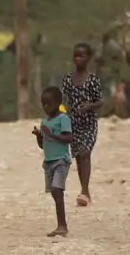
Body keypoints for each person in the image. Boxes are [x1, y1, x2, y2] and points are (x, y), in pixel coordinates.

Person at [61, 42, 104, 206]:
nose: (78, 59)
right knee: (79, 156)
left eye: (82, 56)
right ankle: (84, 190)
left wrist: (89, 107)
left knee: (85, 153)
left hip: (89, 123)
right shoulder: (68, 80)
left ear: (89, 58)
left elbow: (100, 101)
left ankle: (84, 191)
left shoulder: (93, 80)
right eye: (75, 56)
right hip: (73, 123)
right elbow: (63, 100)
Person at [32, 86, 73, 238]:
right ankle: (61, 224)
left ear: (57, 103)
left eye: (48, 104)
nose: (45, 107)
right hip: (48, 162)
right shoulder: (44, 122)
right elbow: (42, 144)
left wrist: (53, 134)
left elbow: (69, 138)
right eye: (43, 104)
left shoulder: (64, 119)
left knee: (57, 190)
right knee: (55, 194)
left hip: (61, 160)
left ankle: (62, 225)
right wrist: (38, 135)